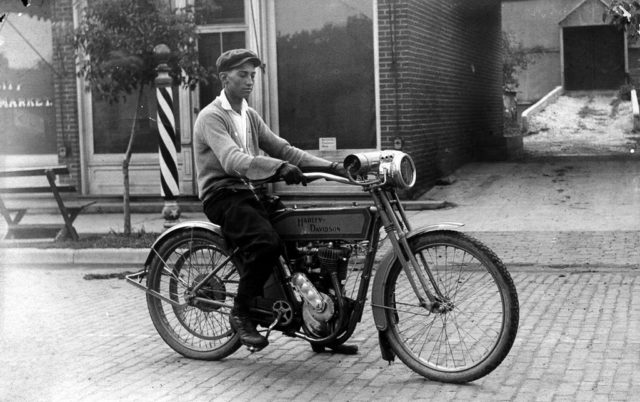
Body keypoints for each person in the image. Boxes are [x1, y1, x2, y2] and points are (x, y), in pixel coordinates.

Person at [193, 49, 346, 351]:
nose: (250, 81)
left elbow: (285, 150)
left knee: (300, 241)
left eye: (253, 75)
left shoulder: (249, 115)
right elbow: (232, 159)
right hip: (223, 195)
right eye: (243, 74)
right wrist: (277, 168)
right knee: (266, 244)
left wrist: (333, 167)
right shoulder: (211, 116)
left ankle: (317, 327)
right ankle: (241, 314)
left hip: (250, 194)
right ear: (224, 78)